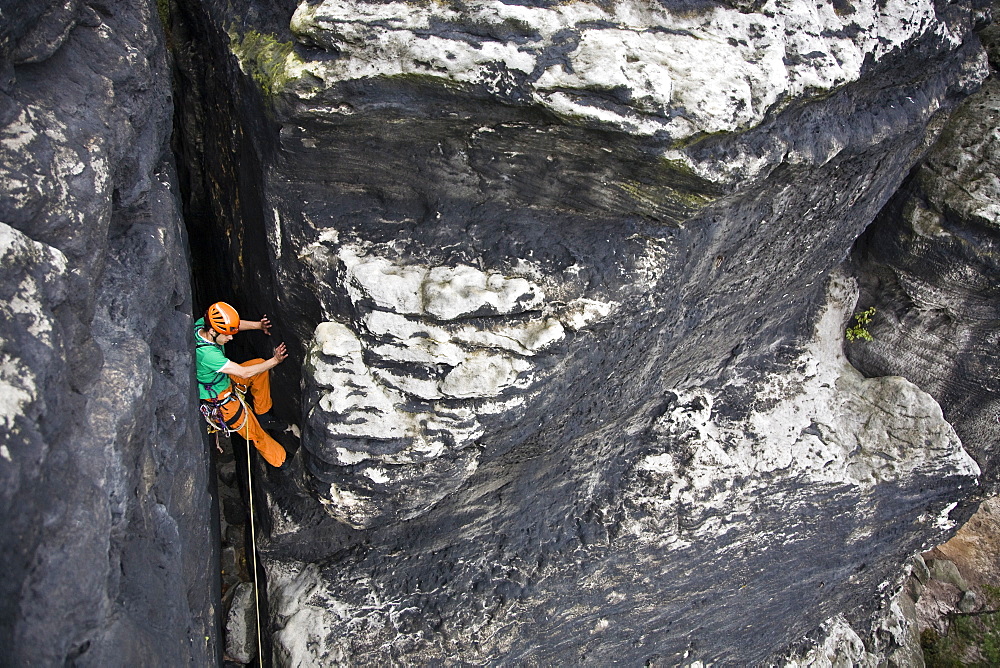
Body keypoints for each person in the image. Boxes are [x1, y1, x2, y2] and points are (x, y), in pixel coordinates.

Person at [194, 301, 288, 468]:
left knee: (259, 367)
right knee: (256, 433)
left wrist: (258, 325)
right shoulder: (208, 355)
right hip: (221, 400)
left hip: (225, 379)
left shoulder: (202, 325)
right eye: (227, 335)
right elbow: (243, 373)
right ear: (213, 331)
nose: (231, 338)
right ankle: (281, 461)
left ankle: (264, 414)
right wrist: (275, 361)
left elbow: (233, 326)